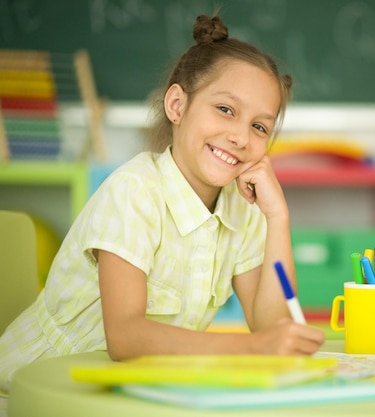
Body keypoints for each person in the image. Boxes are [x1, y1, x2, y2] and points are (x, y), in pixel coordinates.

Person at [0, 13, 325, 409]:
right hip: (33, 394)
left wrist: (278, 217)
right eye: (225, 109)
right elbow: (126, 338)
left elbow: (274, 329)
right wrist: (251, 347)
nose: (241, 136)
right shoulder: (134, 192)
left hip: (129, 397)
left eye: (260, 127)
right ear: (177, 105)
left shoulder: (245, 207)